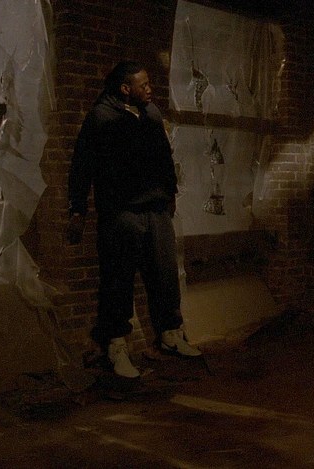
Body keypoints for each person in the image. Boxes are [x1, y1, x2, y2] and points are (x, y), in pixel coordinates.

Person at [67, 61, 201, 378]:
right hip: (120, 211)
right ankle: (116, 346)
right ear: (126, 89)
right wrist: (77, 209)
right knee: (118, 280)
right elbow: (82, 164)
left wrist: (170, 192)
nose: (150, 89)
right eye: (144, 85)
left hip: (155, 208)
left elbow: (164, 157)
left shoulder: (151, 114)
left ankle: (170, 334)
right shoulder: (101, 118)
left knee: (164, 274)